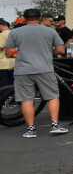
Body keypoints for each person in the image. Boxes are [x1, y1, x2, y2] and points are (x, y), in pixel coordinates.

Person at [2, 8, 67, 138]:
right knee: (52, 96)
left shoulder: (15, 32)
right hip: (44, 68)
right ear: (40, 17)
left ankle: (31, 129)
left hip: (23, 70)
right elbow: (60, 50)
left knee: (27, 100)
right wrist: (50, 52)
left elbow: (8, 53)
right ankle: (55, 125)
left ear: (24, 19)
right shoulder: (50, 31)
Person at [0, 19, 14, 87]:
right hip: (13, 63)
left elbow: (0, 47)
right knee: (11, 83)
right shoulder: (13, 33)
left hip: (3, 64)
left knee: (3, 85)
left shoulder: (2, 35)